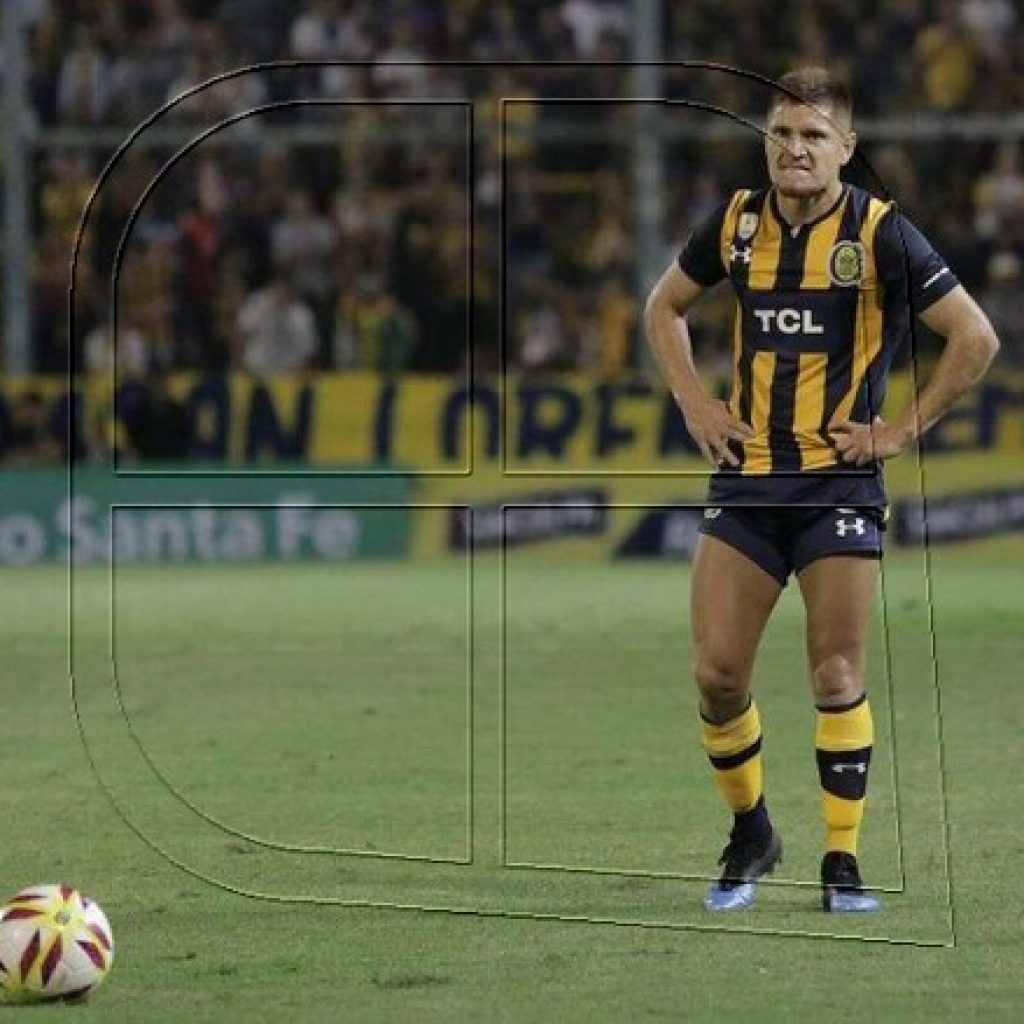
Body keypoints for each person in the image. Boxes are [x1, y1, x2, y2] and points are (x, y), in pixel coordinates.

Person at [644, 67, 1000, 913]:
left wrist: (899, 431)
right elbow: (664, 309)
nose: (794, 148)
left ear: (846, 148)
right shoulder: (734, 224)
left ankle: (842, 859)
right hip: (750, 481)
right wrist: (695, 401)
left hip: (838, 481)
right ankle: (753, 833)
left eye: (813, 136)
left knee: (836, 672)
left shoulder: (880, 233)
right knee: (718, 675)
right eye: (781, 133)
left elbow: (974, 338)